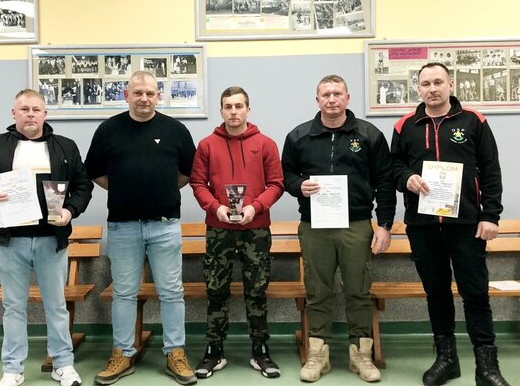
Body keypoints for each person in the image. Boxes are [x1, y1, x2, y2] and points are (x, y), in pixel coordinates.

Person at [391, 62, 510, 386]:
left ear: (450, 85)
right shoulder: (405, 125)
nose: (432, 88)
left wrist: (490, 216)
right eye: (426, 83)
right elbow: (394, 167)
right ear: (418, 88)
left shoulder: (474, 121)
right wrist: (406, 178)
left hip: (467, 226)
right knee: (437, 293)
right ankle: (446, 359)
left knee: (476, 294)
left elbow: (491, 170)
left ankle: (487, 367)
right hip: (423, 226)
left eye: (438, 82)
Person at [0, 89, 93, 386]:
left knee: (56, 306)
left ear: (45, 114)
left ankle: (63, 364)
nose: (31, 114)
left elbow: (83, 186)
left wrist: (70, 211)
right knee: (13, 307)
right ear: (14, 113)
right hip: (12, 241)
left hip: (51, 240)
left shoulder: (64, 146)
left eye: (36, 109)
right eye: (24, 109)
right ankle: (12, 369)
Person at [85, 71, 197, 386]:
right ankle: (122, 354)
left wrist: (160, 189)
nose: (144, 98)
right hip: (123, 226)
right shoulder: (108, 130)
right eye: (138, 93)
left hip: (165, 224)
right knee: (123, 292)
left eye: (150, 93)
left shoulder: (175, 130)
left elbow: (188, 173)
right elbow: (95, 172)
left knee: (172, 292)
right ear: (127, 96)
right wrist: (125, 188)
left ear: (158, 96)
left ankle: (175, 353)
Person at [281, 75, 395, 383]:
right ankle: (318, 355)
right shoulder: (299, 136)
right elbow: (286, 175)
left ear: (347, 98)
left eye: (337, 94)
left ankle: (361, 355)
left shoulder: (369, 135)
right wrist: (298, 186)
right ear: (317, 99)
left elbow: (385, 182)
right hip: (315, 226)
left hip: (356, 225)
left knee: (358, 290)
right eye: (326, 94)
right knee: (318, 291)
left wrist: (384, 225)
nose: (331, 99)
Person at [189, 87, 284, 379]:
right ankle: (214, 351)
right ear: (221, 111)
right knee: (216, 290)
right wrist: (215, 207)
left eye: (239, 106)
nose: (233, 111)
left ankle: (260, 350)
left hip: (256, 229)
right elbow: (197, 183)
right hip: (219, 229)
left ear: (248, 110)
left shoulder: (265, 144)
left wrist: (255, 207)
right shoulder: (207, 145)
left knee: (257, 290)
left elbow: (276, 184)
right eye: (228, 106)